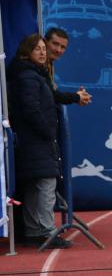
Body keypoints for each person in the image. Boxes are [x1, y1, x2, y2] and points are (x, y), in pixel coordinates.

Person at [6, 34, 77, 249]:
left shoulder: (32, 74)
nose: (43, 52)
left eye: (43, 49)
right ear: (26, 52)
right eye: (38, 49)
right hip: (35, 139)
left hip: (31, 140)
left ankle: (33, 230)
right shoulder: (29, 76)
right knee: (46, 184)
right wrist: (48, 131)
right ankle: (46, 231)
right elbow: (31, 109)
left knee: (34, 186)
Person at [45, 28, 92, 106]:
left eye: (63, 47)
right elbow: (50, 95)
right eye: (55, 44)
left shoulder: (49, 65)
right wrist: (77, 97)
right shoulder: (37, 66)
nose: (58, 50)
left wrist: (78, 97)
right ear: (45, 42)